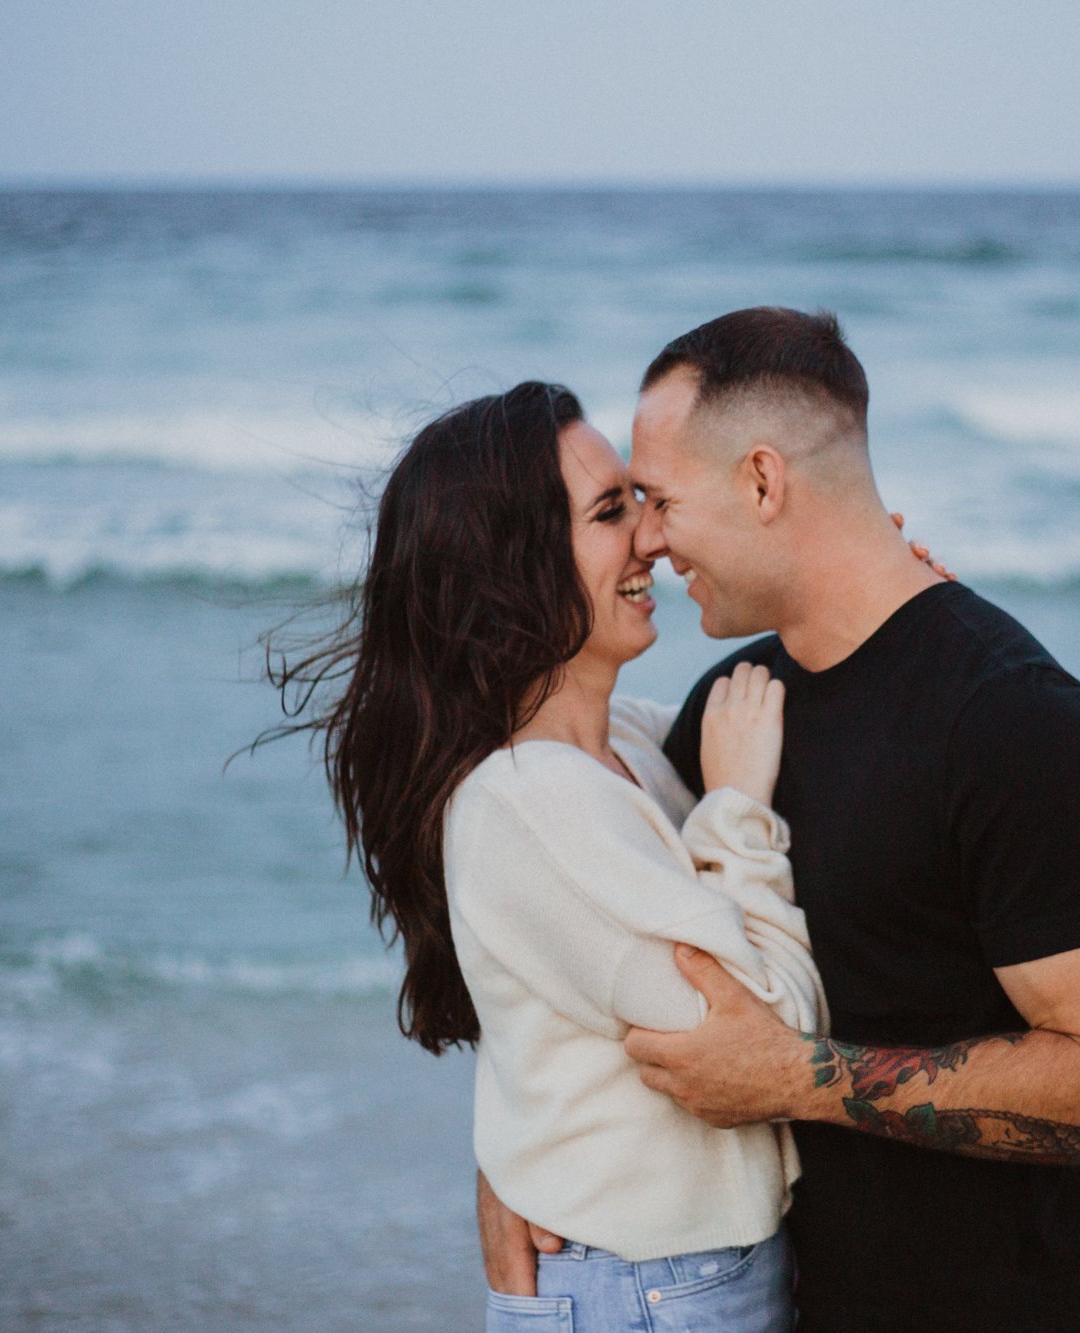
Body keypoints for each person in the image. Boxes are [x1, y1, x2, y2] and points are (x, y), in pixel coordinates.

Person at [479, 310, 1080, 1331]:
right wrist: (510, 1165)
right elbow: (596, 958)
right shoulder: (735, 707)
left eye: (662, 499)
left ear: (762, 482)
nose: (649, 538)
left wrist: (794, 1078)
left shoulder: (1012, 719)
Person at [271, 381, 832, 1331]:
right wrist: (736, 810)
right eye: (612, 512)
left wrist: (875, 607)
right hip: (653, 1291)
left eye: (642, 503)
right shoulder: (531, 807)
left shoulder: (619, 746)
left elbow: (769, 699)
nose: (652, 538)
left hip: (678, 1275)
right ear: (516, 568)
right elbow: (772, 1034)